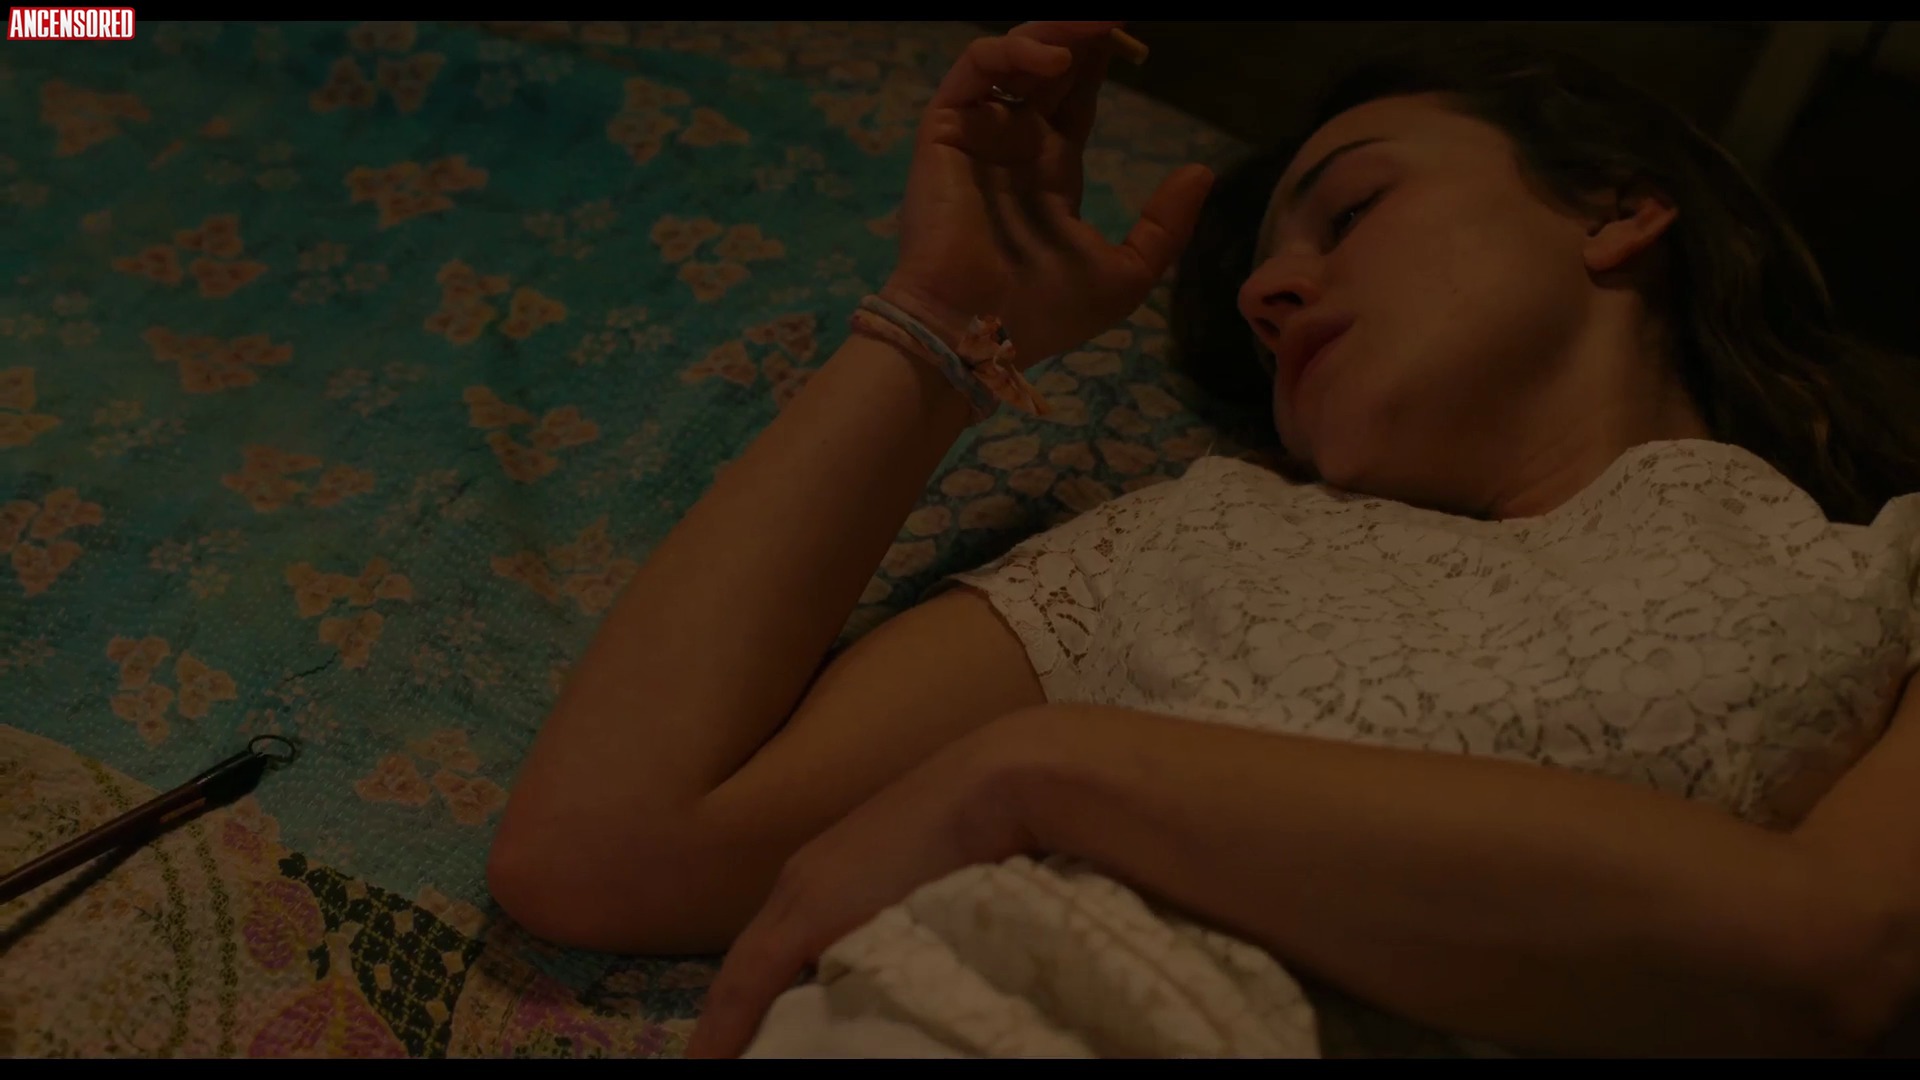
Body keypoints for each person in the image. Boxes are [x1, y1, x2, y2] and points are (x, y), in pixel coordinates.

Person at [486, 21, 1920, 1058]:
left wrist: (1039, 777)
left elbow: (1838, 951)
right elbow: (606, 851)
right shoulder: (1199, 534)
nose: (1272, 291)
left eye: (1352, 210)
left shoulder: (1889, 577)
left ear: (1618, 209)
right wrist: (942, 320)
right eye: (1259, 291)